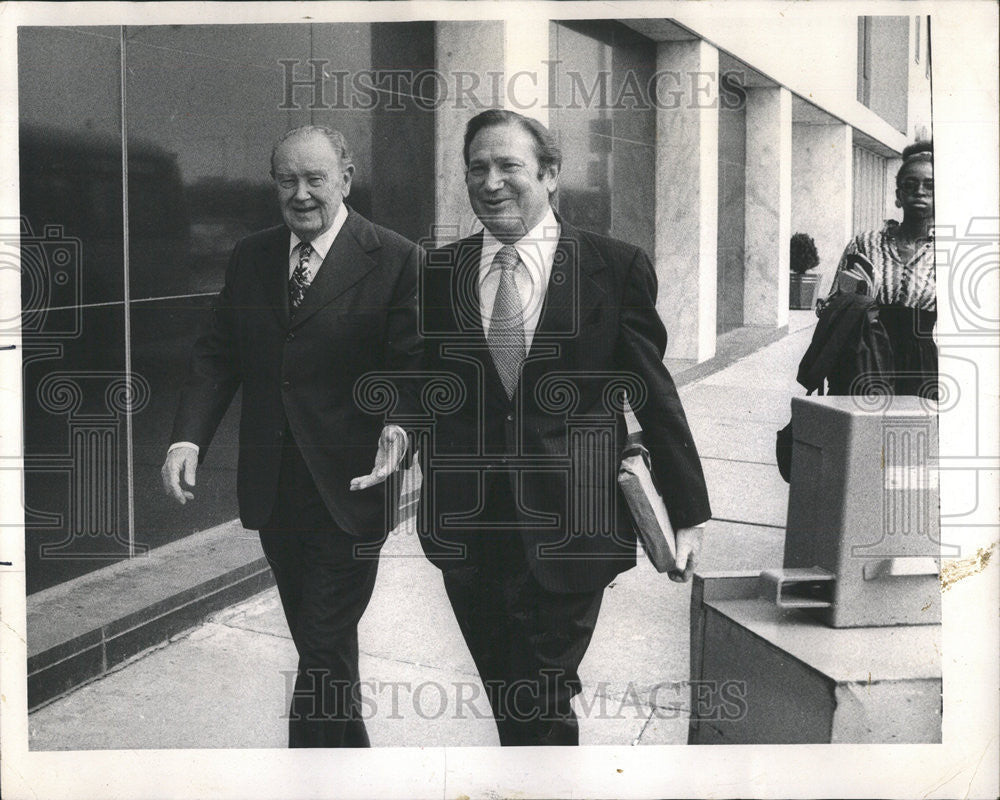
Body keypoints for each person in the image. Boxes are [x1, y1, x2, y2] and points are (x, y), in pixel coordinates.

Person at [355, 109, 711, 746]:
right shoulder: (442, 272)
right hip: (468, 531)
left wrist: (687, 507)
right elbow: (426, 380)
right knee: (510, 698)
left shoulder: (614, 265)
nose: (490, 182)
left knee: (541, 697)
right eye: (477, 169)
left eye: (508, 166)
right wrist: (401, 425)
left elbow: (651, 390)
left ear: (550, 176)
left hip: (572, 527)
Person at [160, 125, 420, 748]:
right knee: (319, 639)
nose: (301, 194)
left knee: (322, 644)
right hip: (275, 491)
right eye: (287, 181)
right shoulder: (252, 256)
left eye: (315, 180)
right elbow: (217, 354)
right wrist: (186, 439)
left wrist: (401, 423)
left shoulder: (397, 257)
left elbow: (415, 363)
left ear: (346, 179)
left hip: (353, 489)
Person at [819, 141, 936, 398]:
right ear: (898, 195)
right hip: (862, 359)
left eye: (930, 185)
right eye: (910, 184)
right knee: (857, 434)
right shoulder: (865, 243)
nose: (920, 191)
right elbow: (834, 304)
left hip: (920, 368)